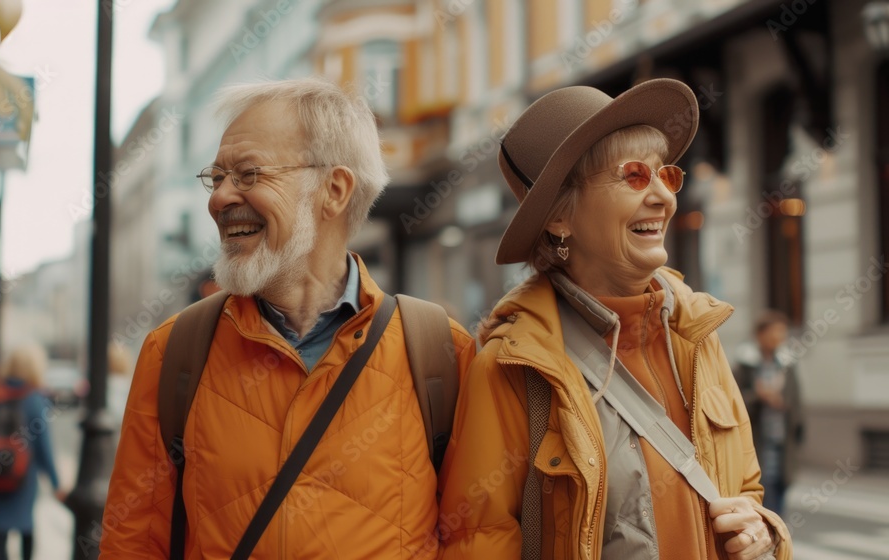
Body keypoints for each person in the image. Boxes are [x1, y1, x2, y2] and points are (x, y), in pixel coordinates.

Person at [100, 78, 476, 559]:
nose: (219, 198)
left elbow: (476, 536)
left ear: (334, 190)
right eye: (215, 178)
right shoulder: (174, 352)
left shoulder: (440, 354)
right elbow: (133, 543)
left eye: (248, 174)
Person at [436, 78, 792, 559]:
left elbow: (745, 490)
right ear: (560, 217)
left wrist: (763, 531)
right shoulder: (512, 368)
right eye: (634, 176)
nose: (664, 198)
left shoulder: (695, 334)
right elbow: (477, 541)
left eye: (666, 175)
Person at [0, 343, 65, 560]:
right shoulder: (34, 399)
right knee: (26, 525)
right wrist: (55, 481)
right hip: (24, 475)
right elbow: (43, 446)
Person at [733, 310, 803, 516]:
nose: (778, 339)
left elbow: (796, 401)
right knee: (763, 496)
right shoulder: (745, 366)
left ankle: (776, 541)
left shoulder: (786, 365)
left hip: (782, 443)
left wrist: (785, 405)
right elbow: (732, 404)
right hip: (756, 444)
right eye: (773, 333)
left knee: (780, 494)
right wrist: (758, 396)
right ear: (759, 335)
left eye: (782, 334)